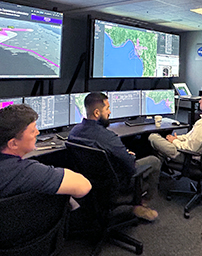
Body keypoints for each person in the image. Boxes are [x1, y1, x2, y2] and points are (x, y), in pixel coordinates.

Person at [0, 104, 92, 250]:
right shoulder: (26, 172)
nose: (37, 132)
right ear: (13, 143)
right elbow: (84, 187)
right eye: (32, 131)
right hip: (10, 243)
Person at [68, 92, 161, 221]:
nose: (110, 112)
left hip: (89, 182)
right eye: (107, 109)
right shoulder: (108, 138)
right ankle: (142, 203)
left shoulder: (74, 132)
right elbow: (130, 167)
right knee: (154, 161)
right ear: (96, 113)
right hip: (114, 184)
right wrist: (127, 155)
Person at [148, 89, 202, 165]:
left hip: (187, 156)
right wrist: (177, 138)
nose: (199, 102)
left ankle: (155, 167)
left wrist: (174, 141)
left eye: (201, 100)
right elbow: (190, 136)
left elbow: (190, 148)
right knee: (164, 143)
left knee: (153, 137)